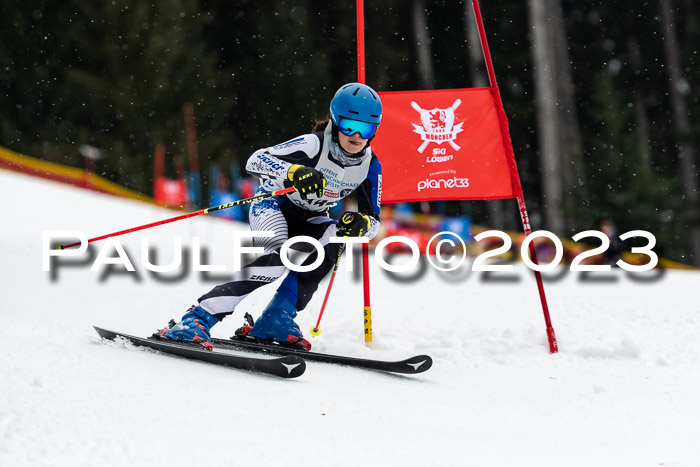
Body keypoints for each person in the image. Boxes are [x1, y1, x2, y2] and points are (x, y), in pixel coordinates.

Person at [158, 83, 383, 351]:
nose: (356, 135)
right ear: (335, 120)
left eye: (366, 129)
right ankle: (196, 319)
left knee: (334, 242)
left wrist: (361, 225)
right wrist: (295, 171)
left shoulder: (370, 165)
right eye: (348, 126)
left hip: (311, 217)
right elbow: (256, 160)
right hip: (273, 204)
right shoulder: (313, 144)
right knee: (277, 259)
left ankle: (276, 318)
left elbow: (374, 222)